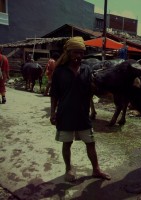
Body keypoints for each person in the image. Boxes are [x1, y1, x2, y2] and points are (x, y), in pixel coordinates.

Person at [50, 37, 111, 182]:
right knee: (67, 143)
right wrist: (53, 113)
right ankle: (68, 169)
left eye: (81, 53)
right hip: (65, 114)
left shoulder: (86, 69)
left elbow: (90, 89)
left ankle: (96, 170)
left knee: (90, 143)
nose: (79, 56)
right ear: (68, 53)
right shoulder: (59, 71)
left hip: (83, 114)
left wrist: (97, 88)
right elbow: (54, 95)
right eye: (76, 53)